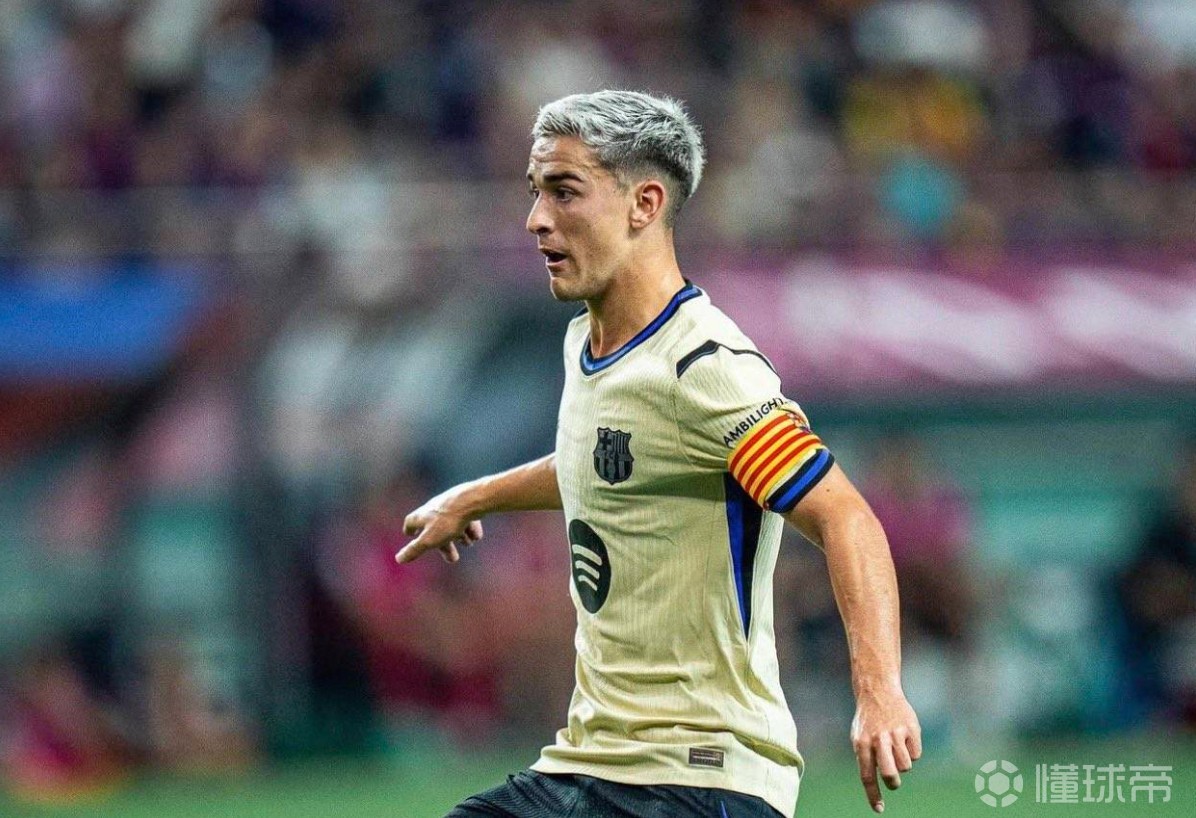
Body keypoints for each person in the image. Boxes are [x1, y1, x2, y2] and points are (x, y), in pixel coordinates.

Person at [398, 90, 920, 818]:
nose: (536, 219)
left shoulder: (704, 368)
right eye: (534, 192)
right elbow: (605, 461)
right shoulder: (588, 342)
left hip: (700, 778)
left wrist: (880, 692)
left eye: (564, 191)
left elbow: (845, 516)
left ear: (644, 204)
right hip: (594, 764)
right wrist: (476, 496)